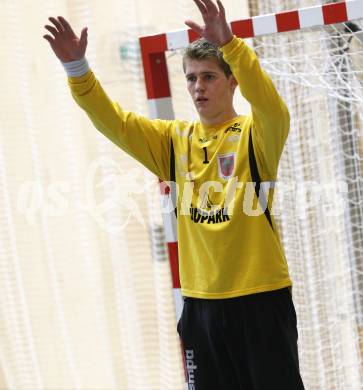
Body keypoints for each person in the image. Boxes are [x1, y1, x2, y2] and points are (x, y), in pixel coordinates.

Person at [43, 0, 305, 389]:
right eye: (191, 78)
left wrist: (231, 44)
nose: (198, 87)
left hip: (260, 300)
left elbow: (271, 106)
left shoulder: (255, 134)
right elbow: (114, 122)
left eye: (210, 77)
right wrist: (77, 70)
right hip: (199, 306)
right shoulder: (172, 141)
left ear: (233, 83)